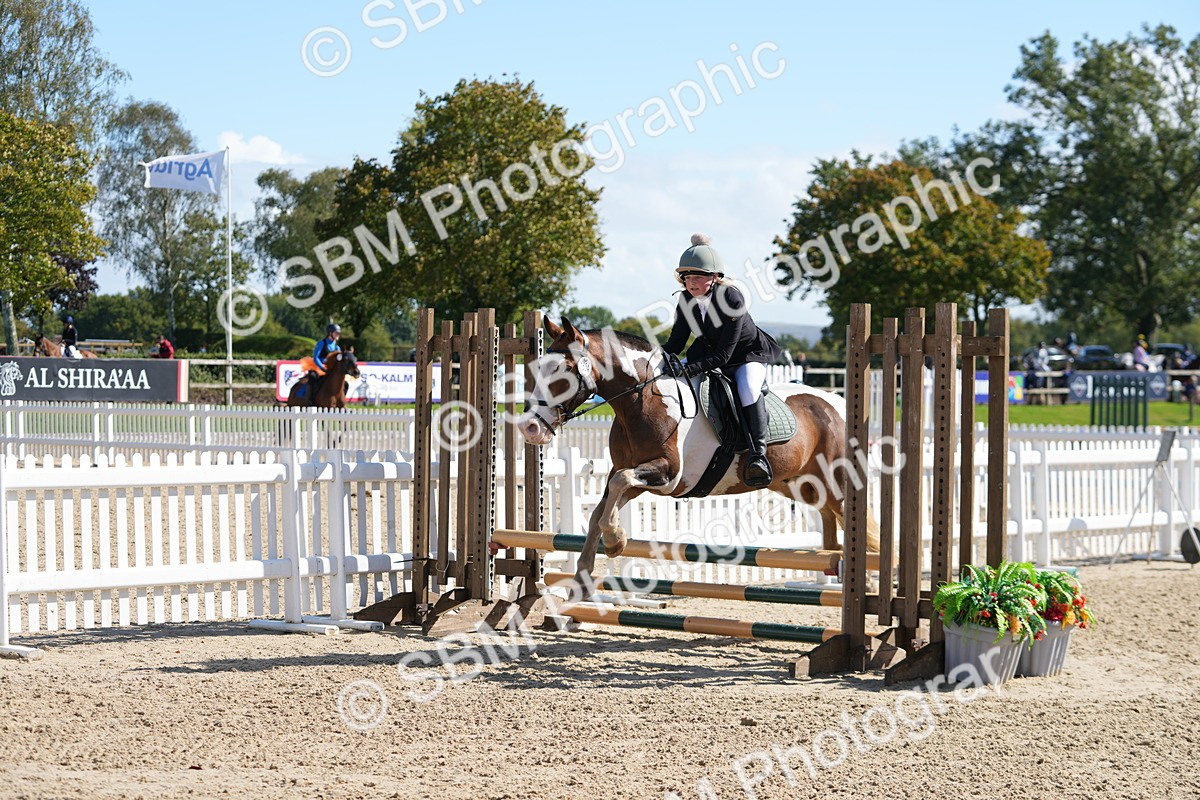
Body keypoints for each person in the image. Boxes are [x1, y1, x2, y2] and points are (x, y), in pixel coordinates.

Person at [662, 233, 783, 488]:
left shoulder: (731, 297)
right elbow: (676, 342)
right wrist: (655, 360)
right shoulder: (685, 300)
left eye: (697, 277)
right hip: (711, 352)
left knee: (748, 387)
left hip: (746, 355)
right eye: (687, 278)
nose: (691, 283)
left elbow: (725, 356)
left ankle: (758, 455)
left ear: (714, 277)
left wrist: (686, 367)